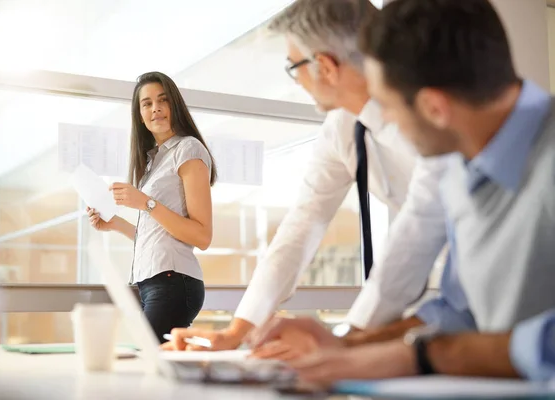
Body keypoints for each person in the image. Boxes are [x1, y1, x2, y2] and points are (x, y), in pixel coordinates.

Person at [252, 0, 555, 384]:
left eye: (388, 107)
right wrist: (347, 345)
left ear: (435, 107)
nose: (383, 122)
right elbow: (459, 312)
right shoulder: (462, 174)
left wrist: (423, 357)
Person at [164, 0, 450, 353]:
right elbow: (301, 227)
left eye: (293, 66)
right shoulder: (343, 127)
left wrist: (349, 337)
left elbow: (413, 239)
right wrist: (238, 331)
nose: (296, 80)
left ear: (325, 66)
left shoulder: (435, 116)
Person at [87, 71, 217, 343]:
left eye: (163, 100)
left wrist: (144, 202)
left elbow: (202, 236)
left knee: (147, 366)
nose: (155, 108)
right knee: (156, 369)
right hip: (152, 282)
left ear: (175, 105)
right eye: (146, 104)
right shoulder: (152, 163)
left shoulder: (188, 149)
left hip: (174, 282)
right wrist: (115, 224)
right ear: (140, 114)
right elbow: (159, 237)